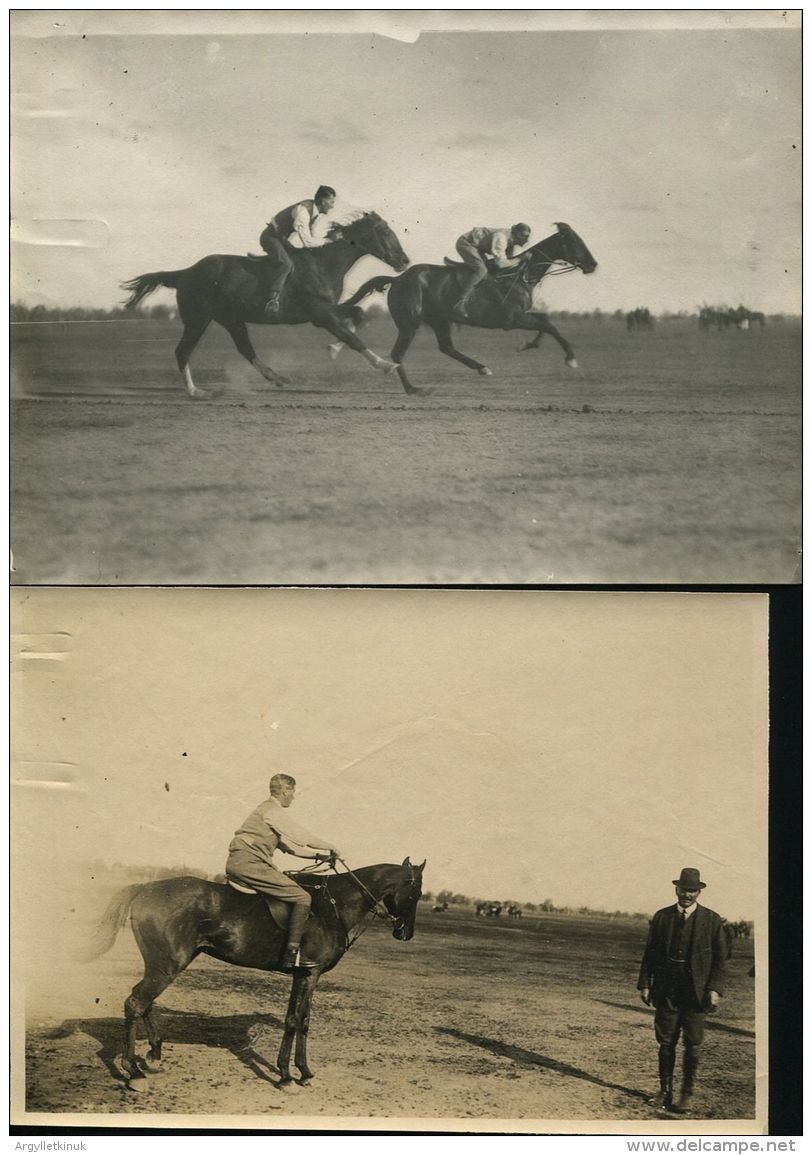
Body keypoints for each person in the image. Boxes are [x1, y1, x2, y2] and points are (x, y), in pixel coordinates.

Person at [226, 773, 341, 969]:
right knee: (303, 898)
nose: (294, 796)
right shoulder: (273, 812)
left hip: (243, 862)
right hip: (250, 864)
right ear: (285, 790)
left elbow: (291, 847)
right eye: (293, 791)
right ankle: (292, 953)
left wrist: (318, 857)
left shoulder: (263, 812)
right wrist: (331, 846)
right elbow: (301, 836)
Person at [637, 867, 728, 1116]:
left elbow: (720, 959)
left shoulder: (712, 920)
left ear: (699, 892)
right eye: (683, 889)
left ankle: (686, 1094)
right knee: (666, 1041)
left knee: (693, 1043)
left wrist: (714, 989)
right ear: (676, 889)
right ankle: (664, 1091)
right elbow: (650, 954)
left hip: (696, 993)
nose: (687, 894)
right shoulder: (662, 917)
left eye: (692, 890)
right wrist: (645, 983)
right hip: (667, 989)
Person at [258, 185, 338, 315]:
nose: (332, 206)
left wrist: (327, 240)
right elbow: (307, 242)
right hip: (270, 238)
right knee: (286, 264)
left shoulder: (313, 211)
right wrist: (330, 240)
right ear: (323, 201)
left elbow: (312, 238)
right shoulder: (303, 212)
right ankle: (272, 301)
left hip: (281, 240)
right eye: (331, 201)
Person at [452, 222, 531, 317]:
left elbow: (508, 262)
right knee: (481, 270)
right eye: (524, 236)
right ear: (517, 234)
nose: (527, 240)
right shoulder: (501, 238)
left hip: (478, 247)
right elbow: (501, 264)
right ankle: (459, 302)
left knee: (489, 270)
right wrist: (520, 258)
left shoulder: (511, 241)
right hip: (466, 243)